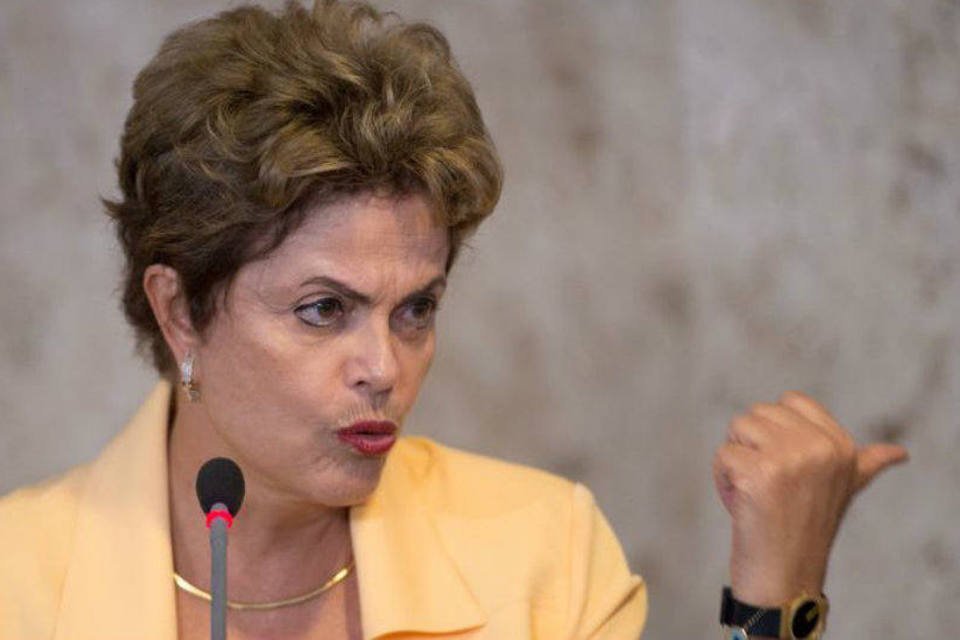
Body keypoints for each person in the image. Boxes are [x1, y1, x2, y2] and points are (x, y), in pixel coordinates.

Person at [0, 1, 907, 639]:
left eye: (416, 310)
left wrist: (773, 601)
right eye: (324, 310)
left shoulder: (541, 551)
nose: (383, 367)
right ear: (179, 311)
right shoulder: (18, 580)